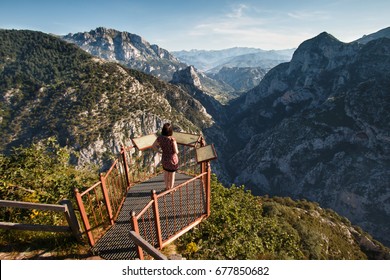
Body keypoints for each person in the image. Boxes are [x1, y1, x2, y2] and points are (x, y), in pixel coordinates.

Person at [152, 123, 179, 190]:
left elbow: (153, 146)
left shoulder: (160, 138)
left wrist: (159, 151)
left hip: (164, 158)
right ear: (170, 131)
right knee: (172, 174)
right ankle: (171, 189)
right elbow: (176, 151)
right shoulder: (172, 140)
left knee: (166, 174)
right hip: (172, 159)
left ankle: (167, 188)